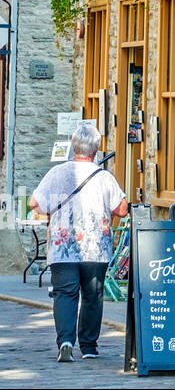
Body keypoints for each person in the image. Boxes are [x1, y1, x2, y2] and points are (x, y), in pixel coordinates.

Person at [29, 121, 128, 362]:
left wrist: (54, 210)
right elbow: (122, 209)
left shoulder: (57, 173)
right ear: (95, 150)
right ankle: (89, 346)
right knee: (92, 295)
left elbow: (34, 203)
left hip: (63, 248)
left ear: (74, 148)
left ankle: (65, 341)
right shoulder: (104, 177)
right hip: (95, 248)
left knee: (65, 293)